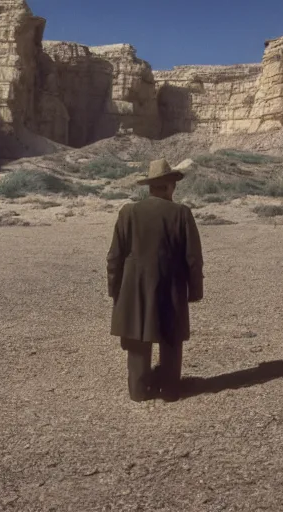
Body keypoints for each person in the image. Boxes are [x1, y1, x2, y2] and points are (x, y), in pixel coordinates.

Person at [106, 159, 204, 402]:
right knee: (171, 336)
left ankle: (138, 390)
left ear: (150, 186)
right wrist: (194, 291)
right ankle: (170, 389)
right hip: (171, 283)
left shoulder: (128, 212)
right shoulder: (181, 213)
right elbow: (193, 258)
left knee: (138, 337)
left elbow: (114, 257)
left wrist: (115, 289)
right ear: (169, 185)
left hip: (134, 286)